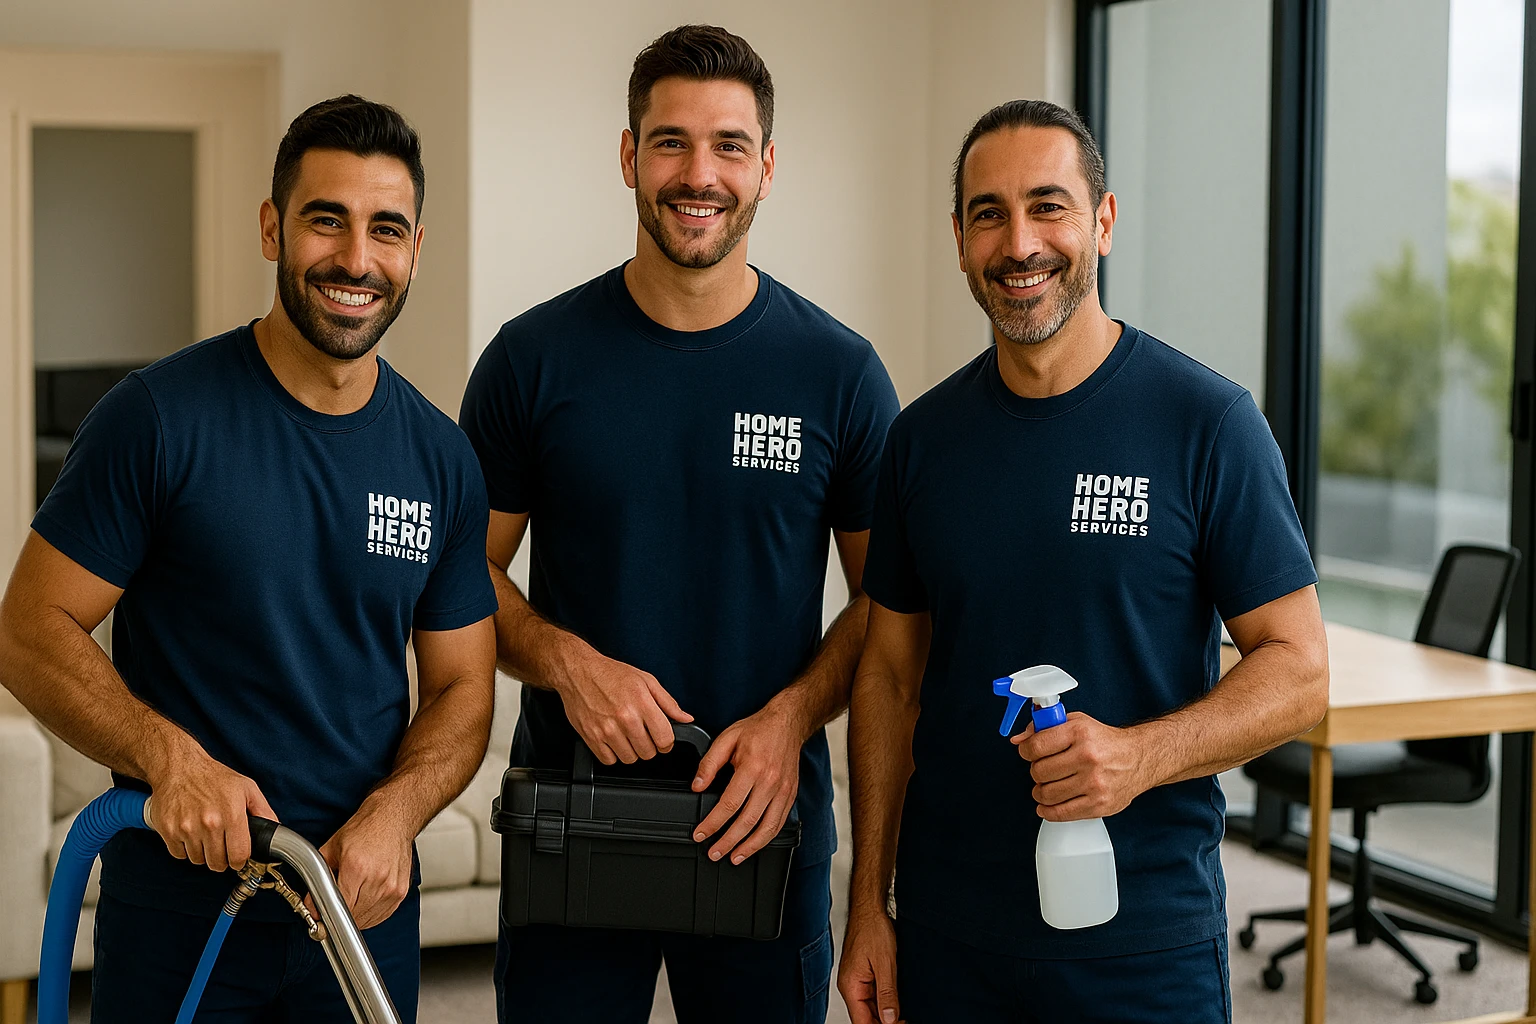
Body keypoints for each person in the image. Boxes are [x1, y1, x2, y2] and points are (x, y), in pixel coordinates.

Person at [0, 95, 497, 1023]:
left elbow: (465, 688)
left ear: (415, 250)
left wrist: (398, 815)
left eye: (385, 228)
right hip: (179, 910)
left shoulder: (440, 458)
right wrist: (170, 759)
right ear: (273, 229)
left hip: (361, 912)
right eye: (325, 219)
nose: (356, 258)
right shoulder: (156, 421)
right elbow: (28, 629)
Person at [836, 99, 1329, 1024]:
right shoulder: (921, 444)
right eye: (989, 213)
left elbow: (1300, 671)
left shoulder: (1209, 424)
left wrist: (1138, 757)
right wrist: (868, 904)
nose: (1019, 242)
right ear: (958, 239)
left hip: (1141, 942)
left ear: (1102, 220)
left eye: (1048, 206)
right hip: (951, 937)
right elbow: (891, 678)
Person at [459, 23, 900, 1024]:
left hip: (763, 819)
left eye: (729, 146)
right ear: (629, 156)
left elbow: (890, 602)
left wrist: (791, 721)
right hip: (577, 816)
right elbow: (460, 577)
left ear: (767, 168)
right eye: (670, 142)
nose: (699, 174)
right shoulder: (533, 361)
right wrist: (566, 662)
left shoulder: (839, 374)